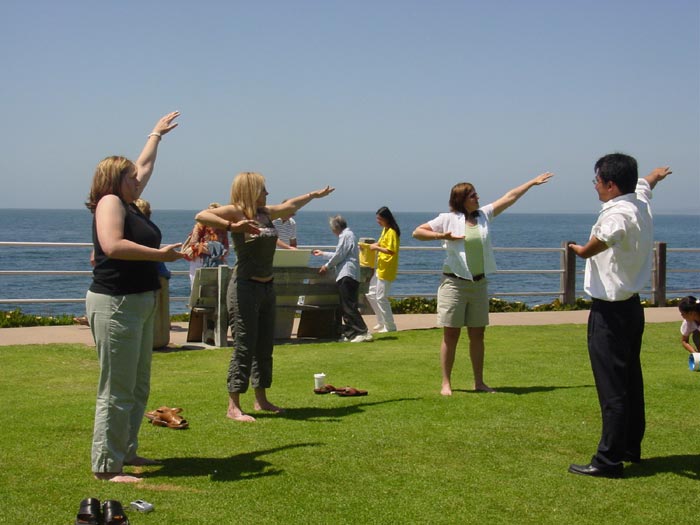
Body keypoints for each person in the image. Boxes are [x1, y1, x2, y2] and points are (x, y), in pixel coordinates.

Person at [84, 111, 183, 482]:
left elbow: (144, 165)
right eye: (130, 177)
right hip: (117, 303)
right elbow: (112, 245)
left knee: (138, 386)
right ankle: (106, 466)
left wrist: (156, 135)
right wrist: (161, 256)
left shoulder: (126, 203)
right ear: (115, 179)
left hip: (137, 302)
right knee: (117, 388)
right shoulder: (110, 201)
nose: (138, 180)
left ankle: (126, 451)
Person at [195, 173, 334, 422]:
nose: (267, 193)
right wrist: (232, 226)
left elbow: (290, 205)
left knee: (264, 346)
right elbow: (201, 216)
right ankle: (233, 406)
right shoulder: (236, 212)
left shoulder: (266, 213)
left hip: (267, 287)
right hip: (244, 288)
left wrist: (313, 195)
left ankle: (261, 400)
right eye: (262, 189)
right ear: (250, 190)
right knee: (244, 345)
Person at [567, 154, 671, 479]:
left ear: (611, 185)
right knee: (630, 380)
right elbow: (645, 183)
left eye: (597, 181)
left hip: (610, 311)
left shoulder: (618, 213)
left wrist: (582, 250)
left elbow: (607, 236)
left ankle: (608, 459)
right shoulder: (638, 200)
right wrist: (655, 175)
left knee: (612, 385)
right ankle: (629, 447)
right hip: (632, 308)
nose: (595, 186)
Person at [412, 172, 554, 395]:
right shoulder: (447, 218)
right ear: (461, 199)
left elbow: (509, 197)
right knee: (451, 335)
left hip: (478, 284)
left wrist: (531, 183)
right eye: (472, 195)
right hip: (454, 284)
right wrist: (442, 236)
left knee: (478, 335)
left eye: (476, 194)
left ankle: (479, 382)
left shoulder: (483, 215)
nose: (477, 197)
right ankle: (446, 383)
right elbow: (417, 232)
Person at [313, 215, 372, 343]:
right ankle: (352, 333)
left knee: (348, 306)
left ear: (336, 227)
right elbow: (341, 254)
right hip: (350, 274)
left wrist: (327, 266)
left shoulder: (345, 236)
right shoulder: (349, 235)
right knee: (347, 305)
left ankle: (363, 331)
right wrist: (323, 254)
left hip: (347, 274)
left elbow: (339, 255)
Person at [365, 206, 400, 333]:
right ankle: (381, 321)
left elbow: (391, 251)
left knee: (381, 297)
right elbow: (380, 243)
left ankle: (390, 326)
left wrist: (376, 248)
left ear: (386, 218)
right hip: (380, 267)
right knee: (371, 294)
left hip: (387, 269)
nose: (378, 221)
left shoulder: (392, 232)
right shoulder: (385, 230)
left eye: (379, 219)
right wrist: (367, 246)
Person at [185, 203, 229, 285]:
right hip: (199, 261)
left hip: (217, 261)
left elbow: (226, 247)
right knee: (197, 287)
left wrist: (211, 249)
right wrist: (214, 251)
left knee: (215, 288)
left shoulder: (222, 229)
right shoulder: (200, 226)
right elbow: (194, 244)